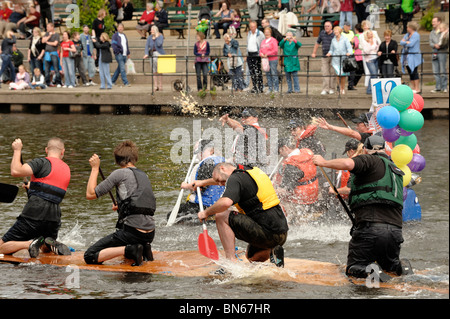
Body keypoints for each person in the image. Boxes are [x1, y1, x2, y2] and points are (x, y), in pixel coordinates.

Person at [312, 135, 411, 281]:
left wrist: (323, 162)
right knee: (390, 267)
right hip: (395, 232)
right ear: (384, 149)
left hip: (371, 228)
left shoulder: (369, 160)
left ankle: (373, 272)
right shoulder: (395, 169)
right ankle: (402, 267)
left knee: (354, 269)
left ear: (365, 149)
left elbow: (347, 163)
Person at [196, 162, 288, 267]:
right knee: (251, 258)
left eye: (218, 180)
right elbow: (224, 180)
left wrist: (206, 212)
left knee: (221, 215)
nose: (220, 184)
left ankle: (230, 262)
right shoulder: (250, 171)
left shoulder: (235, 179)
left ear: (222, 168)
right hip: (281, 233)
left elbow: (226, 203)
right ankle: (273, 251)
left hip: (267, 233)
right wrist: (203, 183)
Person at [84, 140, 156, 266]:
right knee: (127, 243)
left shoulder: (119, 173)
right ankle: (144, 248)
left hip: (133, 233)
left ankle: (131, 249)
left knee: (89, 256)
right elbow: (139, 202)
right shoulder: (143, 175)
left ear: (117, 160)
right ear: (134, 158)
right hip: (150, 233)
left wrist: (95, 168)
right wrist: (122, 207)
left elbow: (90, 194)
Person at [0, 138, 71, 258]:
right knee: (44, 249)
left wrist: (17, 150)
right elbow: (49, 189)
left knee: (2, 247)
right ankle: (47, 243)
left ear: (46, 150)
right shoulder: (66, 169)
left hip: (34, 213)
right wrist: (32, 188)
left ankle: (29, 243)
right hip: (54, 218)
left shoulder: (41, 162)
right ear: (63, 152)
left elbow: (16, 171)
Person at [170, 140, 225, 224]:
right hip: (218, 205)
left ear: (211, 151)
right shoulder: (223, 162)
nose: (197, 155)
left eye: (199, 152)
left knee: (170, 216)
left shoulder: (207, 163)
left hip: (202, 205)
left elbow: (200, 187)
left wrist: (185, 186)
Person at [274, 139, 319, 224]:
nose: (281, 156)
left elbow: (284, 191)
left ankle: (289, 223)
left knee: (275, 202)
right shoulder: (307, 152)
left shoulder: (291, 166)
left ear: (284, 148)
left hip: (301, 198)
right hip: (313, 191)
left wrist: (268, 191)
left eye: (280, 152)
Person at [311, 20, 336, 95]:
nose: (326, 27)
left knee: (333, 73)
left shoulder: (334, 34)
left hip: (334, 56)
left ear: (331, 27)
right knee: (325, 72)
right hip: (324, 56)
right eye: (325, 26)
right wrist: (314, 52)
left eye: (328, 26)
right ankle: (325, 89)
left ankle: (332, 88)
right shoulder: (322, 33)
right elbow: (317, 43)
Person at [327, 26, 352, 95]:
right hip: (335, 60)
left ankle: (342, 88)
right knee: (338, 74)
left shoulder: (345, 39)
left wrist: (349, 53)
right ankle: (339, 87)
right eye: (334, 31)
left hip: (343, 60)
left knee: (343, 75)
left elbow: (349, 48)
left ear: (339, 31)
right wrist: (329, 53)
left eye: (337, 31)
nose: (335, 32)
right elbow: (331, 49)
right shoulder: (333, 40)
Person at [400, 21, 422, 94]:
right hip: (406, 56)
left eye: (407, 27)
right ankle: (413, 87)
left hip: (414, 56)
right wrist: (407, 42)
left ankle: (417, 88)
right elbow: (401, 42)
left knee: (414, 71)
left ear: (411, 28)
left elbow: (411, 44)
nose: (406, 28)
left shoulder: (416, 35)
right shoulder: (407, 35)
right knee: (410, 72)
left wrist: (405, 42)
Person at [430, 17, 448, 93]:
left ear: (439, 22)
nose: (433, 23)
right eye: (432, 22)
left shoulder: (444, 31)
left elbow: (446, 42)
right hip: (434, 52)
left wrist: (440, 45)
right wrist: (434, 45)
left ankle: (444, 87)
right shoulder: (432, 32)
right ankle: (438, 87)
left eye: (434, 21)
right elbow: (430, 42)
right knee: (435, 71)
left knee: (443, 70)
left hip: (442, 52)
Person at [144, 25, 165, 91]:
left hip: (159, 53)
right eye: (151, 30)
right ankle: (155, 86)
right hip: (152, 54)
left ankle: (160, 85)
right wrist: (146, 54)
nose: (151, 31)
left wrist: (156, 37)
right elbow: (147, 46)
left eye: (153, 30)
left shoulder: (160, 36)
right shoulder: (149, 37)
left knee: (160, 70)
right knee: (154, 70)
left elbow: (159, 44)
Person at [259, 27, 279, 94]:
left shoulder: (273, 40)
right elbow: (260, 49)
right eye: (265, 32)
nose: (266, 33)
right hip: (265, 60)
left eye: (268, 32)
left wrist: (267, 54)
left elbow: (275, 51)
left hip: (272, 59)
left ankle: (276, 88)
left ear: (270, 33)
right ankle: (270, 88)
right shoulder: (263, 41)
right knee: (268, 74)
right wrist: (261, 54)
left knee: (273, 73)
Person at [246, 21, 264, 93]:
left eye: (253, 26)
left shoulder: (260, 34)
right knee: (252, 71)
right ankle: (255, 86)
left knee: (258, 71)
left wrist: (261, 52)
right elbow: (248, 44)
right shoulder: (249, 33)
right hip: (250, 54)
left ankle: (260, 86)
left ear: (256, 27)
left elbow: (262, 44)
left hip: (256, 54)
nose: (252, 28)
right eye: (251, 27)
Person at [42, 22, 61, 87]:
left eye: (48, 27)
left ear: (52, 27)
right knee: (46, 70)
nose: (47, 28)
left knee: (56, 68)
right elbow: (43, 41)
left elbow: (55, 44)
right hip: (47, 53)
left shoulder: (56, 35)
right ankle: (47, 82)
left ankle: (58, 82)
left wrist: (47, 42)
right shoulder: (46, 34)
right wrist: (49, 36)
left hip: (54, 53)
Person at [111, 23, 131, 87]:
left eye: (121, 27)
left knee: (119, 69)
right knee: (122, 68)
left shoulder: (124, 35)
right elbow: (113, 45)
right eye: (119, 27)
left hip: (125, 54)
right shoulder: (115, 36)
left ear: (123, 28)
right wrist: (118, 52)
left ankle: (112, 81)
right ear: (117, 28)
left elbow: (126, 45)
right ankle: (126, 82)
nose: (120, 28)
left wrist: (128, 53)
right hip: (119, 54)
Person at [362, 30, 380, 95]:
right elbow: (366, 51)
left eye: (372, 34)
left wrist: (373, 48)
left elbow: (377, 48)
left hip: (376, 58)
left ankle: (372, 89)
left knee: (375, 75)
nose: (371, 35)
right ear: (367, 35)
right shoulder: (364, 42)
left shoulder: (375, 40)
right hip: (369, 60)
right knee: (373, 74)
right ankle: (369, 90)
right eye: (370, 34)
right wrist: (370, 45)